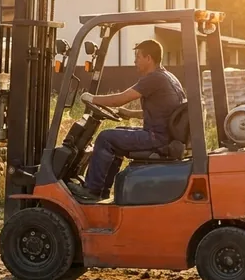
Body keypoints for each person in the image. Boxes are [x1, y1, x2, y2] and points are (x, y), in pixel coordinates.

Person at [70, 39, 186, 200]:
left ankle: (92, 190)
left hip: (156, 138)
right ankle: (102, 191)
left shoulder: (153, 79)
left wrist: (92, 98)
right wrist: (129, 114)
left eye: (138, 57)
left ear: (149, 58)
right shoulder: (168, 77)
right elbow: (163, 112)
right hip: (162, 135)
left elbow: (119, 99)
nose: (135, 61)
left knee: (105, 138)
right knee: (116, 134)